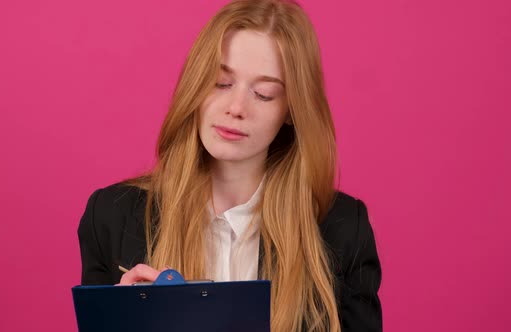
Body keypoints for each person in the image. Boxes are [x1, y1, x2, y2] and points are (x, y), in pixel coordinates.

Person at [77, 0, 382, 331]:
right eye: (221, 82)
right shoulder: (111, 217)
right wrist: (123, 321)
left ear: (292, 110)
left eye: (264, 93)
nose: (236, 107)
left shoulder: (343, 229)